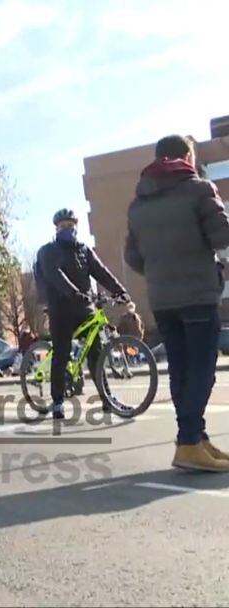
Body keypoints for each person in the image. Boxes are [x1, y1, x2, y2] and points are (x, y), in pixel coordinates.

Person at [125, 134, 229, 471]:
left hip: (162, 299)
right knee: (201, 369)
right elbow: (222, 235)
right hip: (197, 293)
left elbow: (133, 257)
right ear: (186, 156)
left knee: (181, 369)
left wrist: (161, 268)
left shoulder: (138, 204)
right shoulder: (198, 189)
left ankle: (195, 438)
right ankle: (187, 443)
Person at [36, 209, 128, 420]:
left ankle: (106, 398)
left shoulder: (83, 250)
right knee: (62, 352)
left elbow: (101, 271)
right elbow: (54, 274)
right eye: (63, 226)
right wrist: (73, 293)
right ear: (56, 229)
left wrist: (119, 291)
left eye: (71, 226)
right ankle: (58, 401)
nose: (68, 229)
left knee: (97, 353)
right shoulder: (49, 251)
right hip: (60, 310)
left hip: (85, 308)